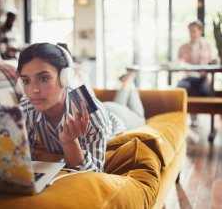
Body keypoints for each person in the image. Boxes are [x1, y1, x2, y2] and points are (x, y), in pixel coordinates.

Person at [18, 43, 145, 172]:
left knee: (139, 116)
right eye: (26, 81)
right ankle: (127, 82)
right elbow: (23, 159)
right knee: (120, 103)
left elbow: (93, 174)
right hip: (104, 108)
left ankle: (129, 80)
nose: (33, 90)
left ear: (65, 78)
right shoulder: (26, 107)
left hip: (117, 117)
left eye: (44, 78)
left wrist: (70, 143)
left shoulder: (91, 110)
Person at [177, 20, 217, 125]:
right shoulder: (183, 47)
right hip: (187, 76)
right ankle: (183, 116)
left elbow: (213, 61)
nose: (192, 34)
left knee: (204, 91)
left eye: (194, 31)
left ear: (200, 31)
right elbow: (178, 62)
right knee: (179, 90)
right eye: (190, 31)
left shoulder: (208, 45)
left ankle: (195, 114)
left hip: (202, 77)